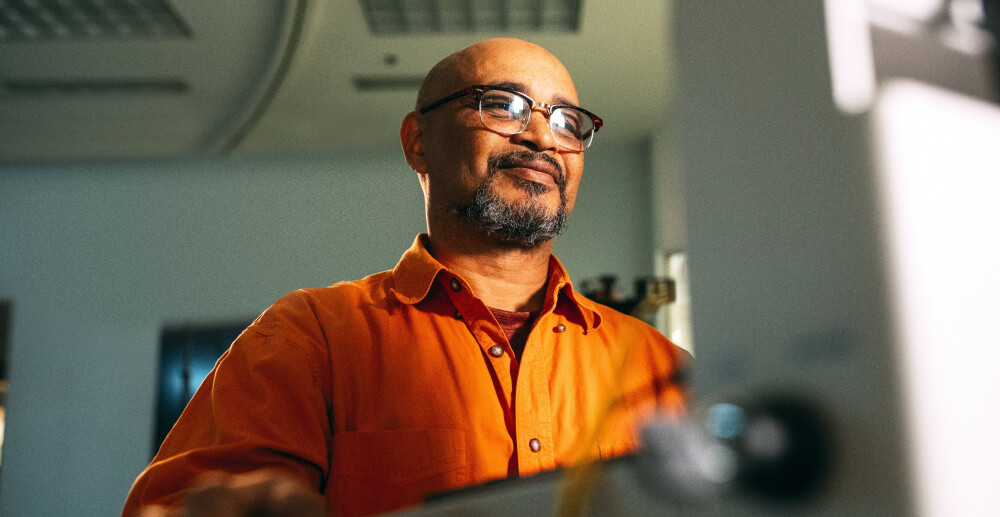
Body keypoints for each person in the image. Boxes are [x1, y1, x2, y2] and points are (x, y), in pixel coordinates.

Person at [122, 37, 687, 517]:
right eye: (504, 105)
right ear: (418, 142)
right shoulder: (309, 339)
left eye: (567, 121)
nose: (542, 138)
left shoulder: (659, 367)